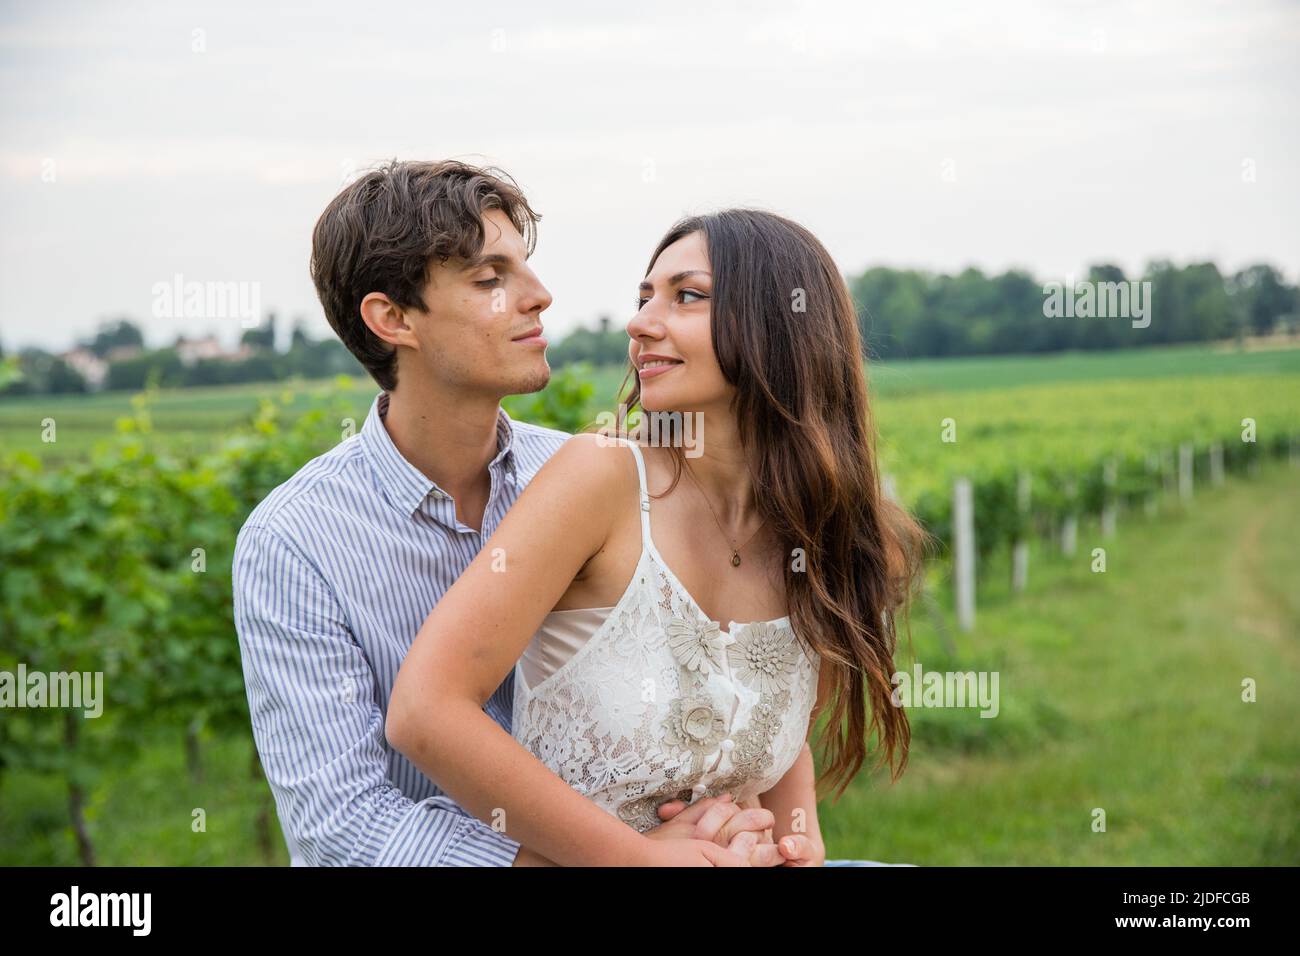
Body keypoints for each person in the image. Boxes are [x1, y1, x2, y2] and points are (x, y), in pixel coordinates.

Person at [233, 159, 790, 866]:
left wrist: (733, 822)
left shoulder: (597, 479)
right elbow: (344, 828)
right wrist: (619, 859)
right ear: (393, 318)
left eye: (525, 267)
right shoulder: (293, 543)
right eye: (491, 279)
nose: (540, 297)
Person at [385, 206, 926, 865]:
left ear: (782, 326)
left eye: (686, 296)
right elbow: (425, 710)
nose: (640, 323)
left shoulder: (823, 528)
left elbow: (778, 741)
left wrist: (794, 846)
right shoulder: (601, 477)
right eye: (643, 298)